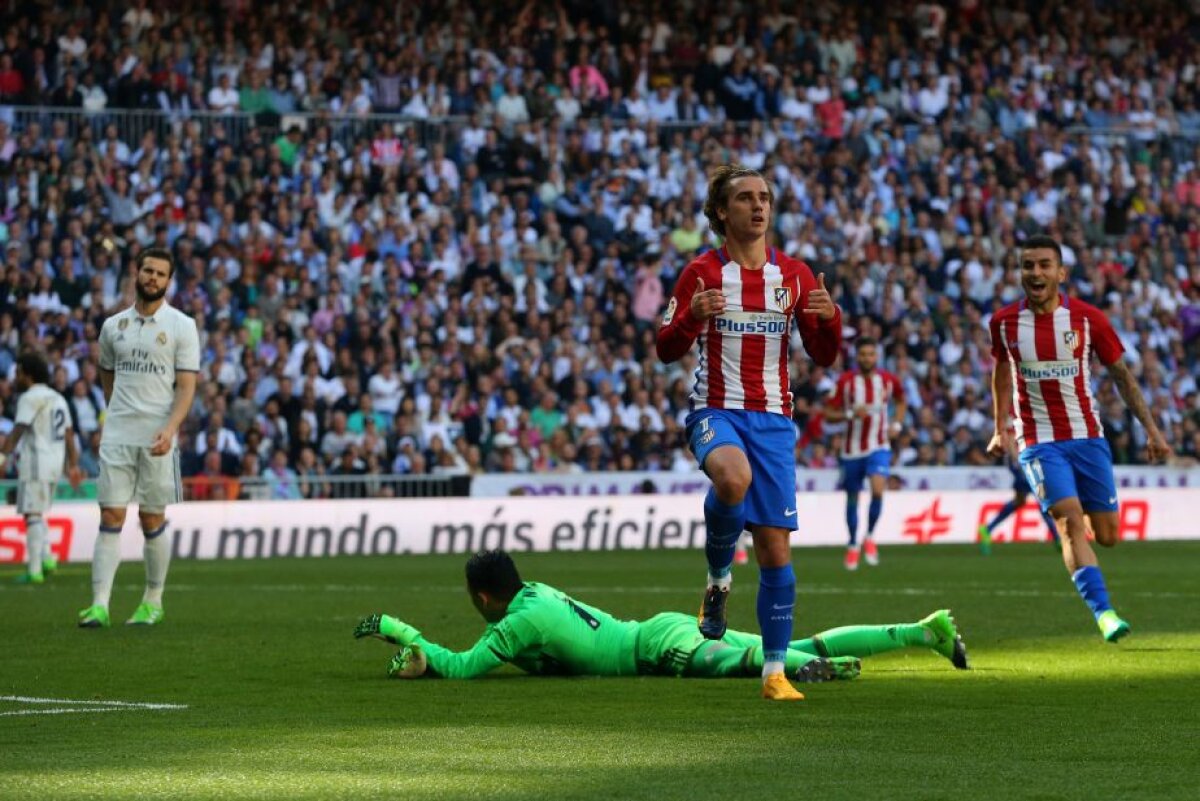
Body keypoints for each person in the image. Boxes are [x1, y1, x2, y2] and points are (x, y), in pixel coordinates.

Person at [655, 164, 842, 700]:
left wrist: (829, 319)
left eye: (764, 197)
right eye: (744, 198)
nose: (758, 207)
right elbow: (666, 346)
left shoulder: (797, 277)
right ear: (720, 212)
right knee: (731, 480)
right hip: (715, 410)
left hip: (775, 422)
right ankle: (717, 580)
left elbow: (825, 356)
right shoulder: (701, 273)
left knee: (776, 554)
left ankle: (774, 674)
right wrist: (689, 316)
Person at [353, 549, 969, 682]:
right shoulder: (532, 595)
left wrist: (397, 630)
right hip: (650, 630)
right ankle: (922, 631)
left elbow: (461, 669)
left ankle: (819, 670)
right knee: (795, 639)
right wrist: (420, 662)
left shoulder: (517, 622)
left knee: (734, 664)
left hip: (650, 647)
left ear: (482, 598)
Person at [987, 235, 1172, 643]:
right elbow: (1001, 371)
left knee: (1107, 535)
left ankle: (1083, 521)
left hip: (1087, 437)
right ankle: (1104, 614)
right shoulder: (1004, 323)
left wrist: (1152, 430)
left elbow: (1121, 375)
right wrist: (1000, 425)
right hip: (1037, 440)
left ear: (1061, 273)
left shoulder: (1088, 320)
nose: (1035, 273)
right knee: (1068, 523)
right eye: (1028, 265)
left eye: (1044, 265)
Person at [78, 247, 199, 628]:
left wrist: (171, 427)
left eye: (161, 274)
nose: (153, 278)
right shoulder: (114, 326)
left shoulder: (182, 326)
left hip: (158, 438)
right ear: (137, 272)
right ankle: (99, 604)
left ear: (169, 280)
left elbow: (186, 387)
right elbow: (106, 373)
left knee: (151, 518)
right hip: (117, 434)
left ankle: (153, 600)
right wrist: (117, 412)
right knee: (110, 514)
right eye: (148, 271)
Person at [0, 350, 82, 583]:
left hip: (36, 462)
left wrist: (2, 458)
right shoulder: (58, 397)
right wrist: (73, 465)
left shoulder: (30, 398)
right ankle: (47, 557)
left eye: (18, 372)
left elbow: (18, 430)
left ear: (27, 373)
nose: (16, 377)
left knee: (32, 512)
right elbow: (69, 434)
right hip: (55, 463)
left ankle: (35, 570)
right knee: (35, 511)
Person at [823, 337, 906, 570]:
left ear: (876, 356)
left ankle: (869, 536)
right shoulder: (846, 382)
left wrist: (897, 425)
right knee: (852, 498)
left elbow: (901, 400)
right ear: (857, 357)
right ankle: (852, 544)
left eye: (871, 354)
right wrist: (849, 414)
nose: (867, 358)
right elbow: (828, 413)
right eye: (863, 354)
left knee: (878, 490)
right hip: (851, 450)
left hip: (879, 445)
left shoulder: (887, 380)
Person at [977, 424, 1060, 555]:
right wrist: (1018, 462)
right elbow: (1010, 436)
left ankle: (987, 529)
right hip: (1021, 462)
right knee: (1041, 498)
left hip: (1026, 460)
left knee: (1020, 501)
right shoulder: (1013, 410)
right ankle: (1058, 539)